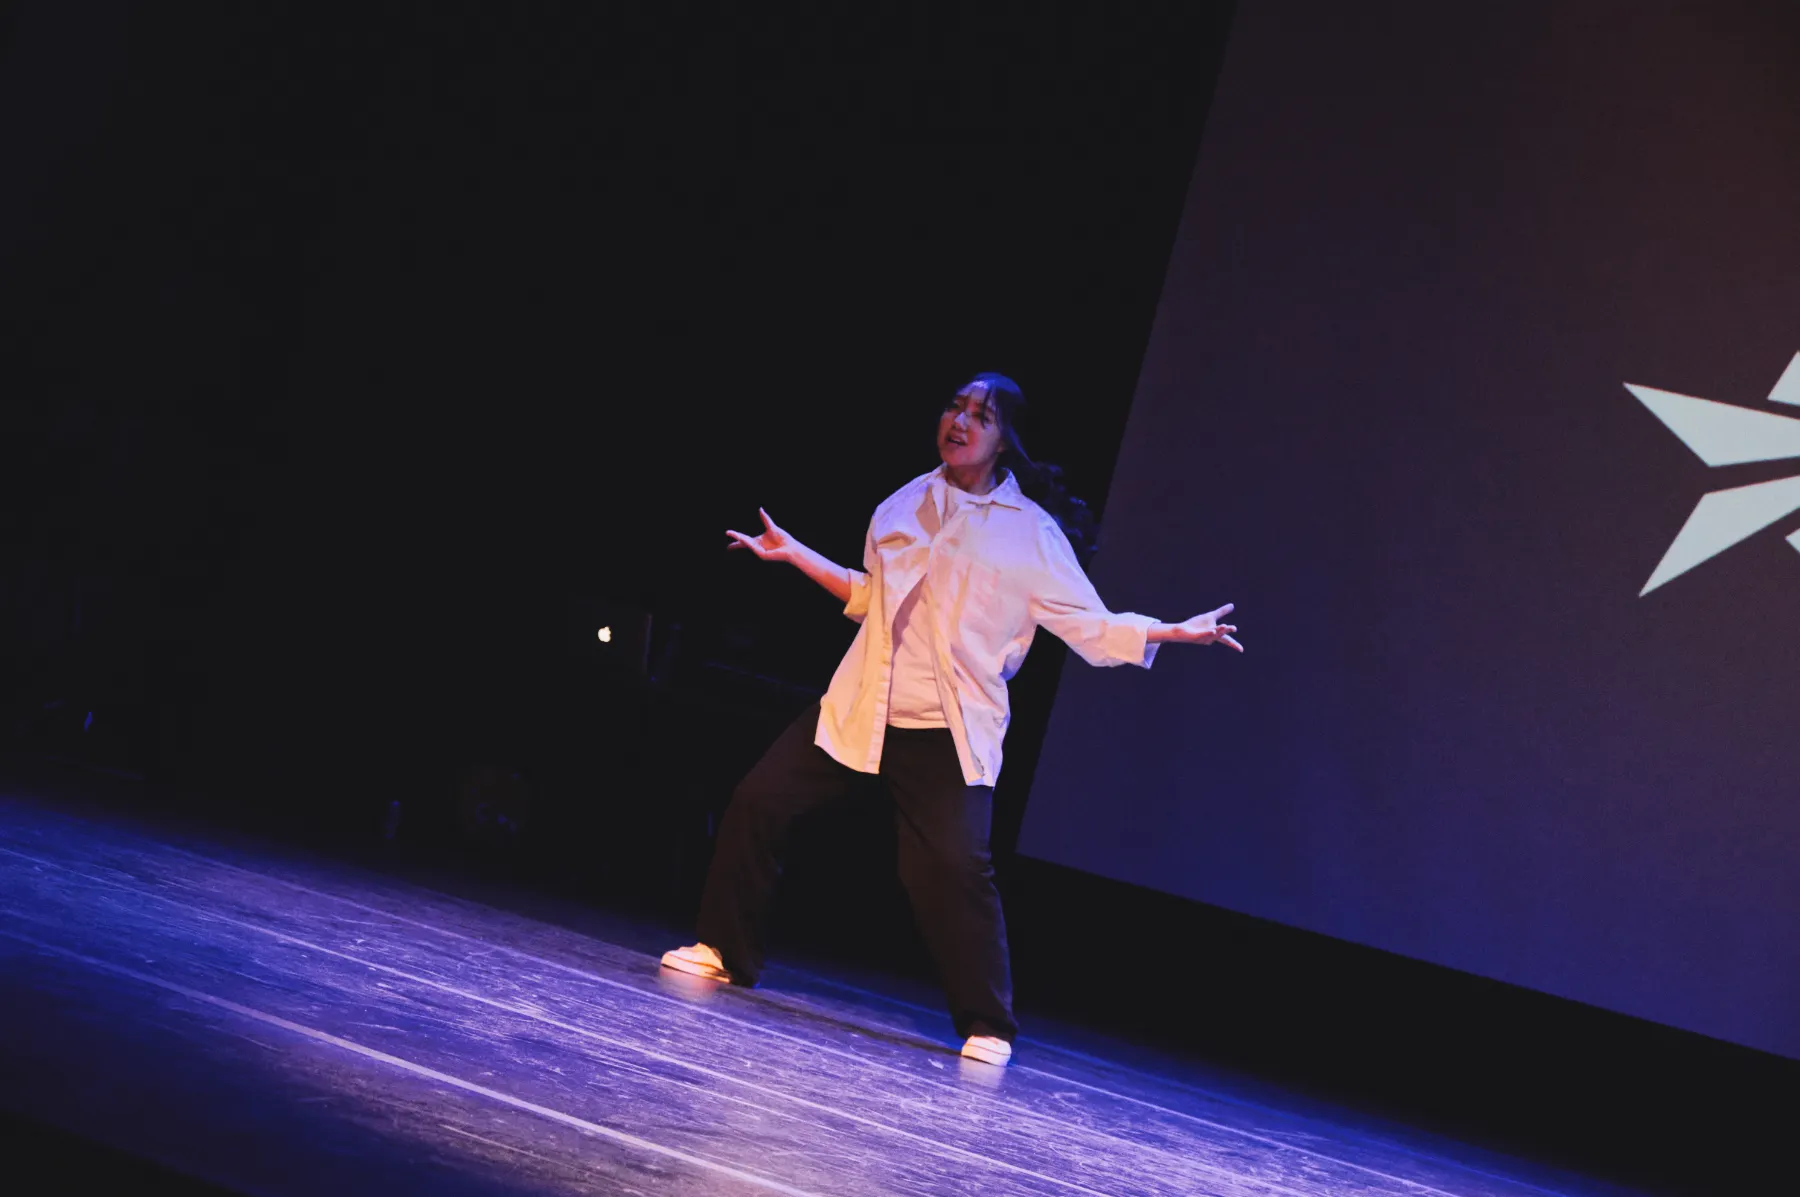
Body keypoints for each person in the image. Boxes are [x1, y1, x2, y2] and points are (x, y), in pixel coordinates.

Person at [662, 373, 1241, 1066]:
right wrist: (797, 554)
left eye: (981, 415)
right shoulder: (901, 504)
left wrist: (1172, 631)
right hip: (864, 702)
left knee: (952, 866)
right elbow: (874, 598)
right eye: (955, 407)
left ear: (1005, 440)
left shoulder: (1031, 534)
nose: (960, 421)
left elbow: (1087, 623)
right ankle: (724, 949)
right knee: (759, 800)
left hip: (947, 727)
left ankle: (988, 1021)